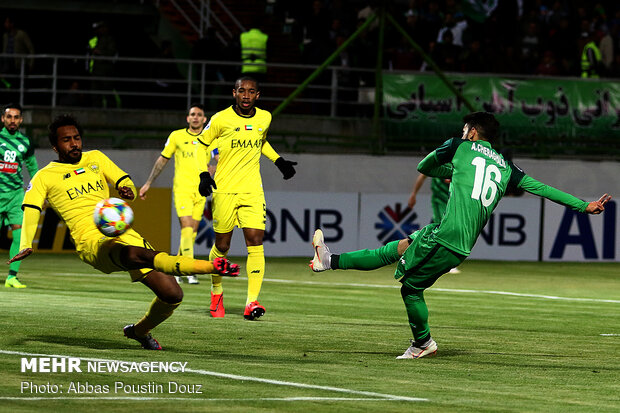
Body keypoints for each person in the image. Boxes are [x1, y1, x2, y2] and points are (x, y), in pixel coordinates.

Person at [310, 111, 610, 359]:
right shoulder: (506, 166)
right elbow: (542, 188)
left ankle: (423, 344)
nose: (463, 131)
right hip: (456, 240)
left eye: (465, 128)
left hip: (446, 237)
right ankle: (329, 260)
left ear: (473, 132)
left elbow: (424, 166)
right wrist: (584, 205)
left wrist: (447, 166)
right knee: (396, 248)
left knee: (411, 289)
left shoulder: (458, 145)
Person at [8, 114, 240, 350]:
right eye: (66, 140)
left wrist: (125, 188)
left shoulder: (95, 158)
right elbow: (31, 208)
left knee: (172, 294)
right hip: (91, 241)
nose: (74, 143)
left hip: (122, 231)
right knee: (132, 255)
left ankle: (139, 331)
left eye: (76, 138)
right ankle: (211, 266)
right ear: (55, 146)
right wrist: (26, 242)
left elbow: (122, 178)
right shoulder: (44, 176)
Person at [197, 76, 297, 320]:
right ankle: (216, 291)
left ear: (257, 95)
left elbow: (260, 141)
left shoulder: (265, 117)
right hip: (225, 189)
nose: (246, 95)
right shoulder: (220, 119)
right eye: (242, 91)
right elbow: (201, 145)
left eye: (251, 92)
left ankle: (251, 302)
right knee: (222, 246)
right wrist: (203, 173)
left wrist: (279, 161)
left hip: (252, 190)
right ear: (234, 93)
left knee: (255, 242)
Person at [139, 103, 210, 285]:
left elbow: (218, 160)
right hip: (182, 189)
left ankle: (177, 268)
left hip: (200, 191)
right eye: (192, 114)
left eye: (198, 114)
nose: (195, 117)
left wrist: (213, 176)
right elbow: (162, 160)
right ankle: (189, 270)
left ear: (204, 119)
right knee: (186, 227)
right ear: (188, 118)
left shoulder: (210, 138)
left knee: (192, 231)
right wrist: (148, 183)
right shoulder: (176, 136)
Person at [1, 103, 38, 288]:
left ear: (21, 120)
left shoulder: (26, 142)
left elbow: (32, 167)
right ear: (3, 119)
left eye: (16, 117)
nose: (13, 120)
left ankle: (11, 277)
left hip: (16, 195)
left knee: (18, 236)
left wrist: (39, 188)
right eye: (9, 117)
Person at [407, 173, 460, 274]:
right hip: (439, 200)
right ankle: (444, 263)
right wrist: (413, 194)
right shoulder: (438, 161)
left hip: (453, 202)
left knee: (436, 232)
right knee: (444, 229)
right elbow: (422, 175)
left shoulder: (459, 163)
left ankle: (418, 256)